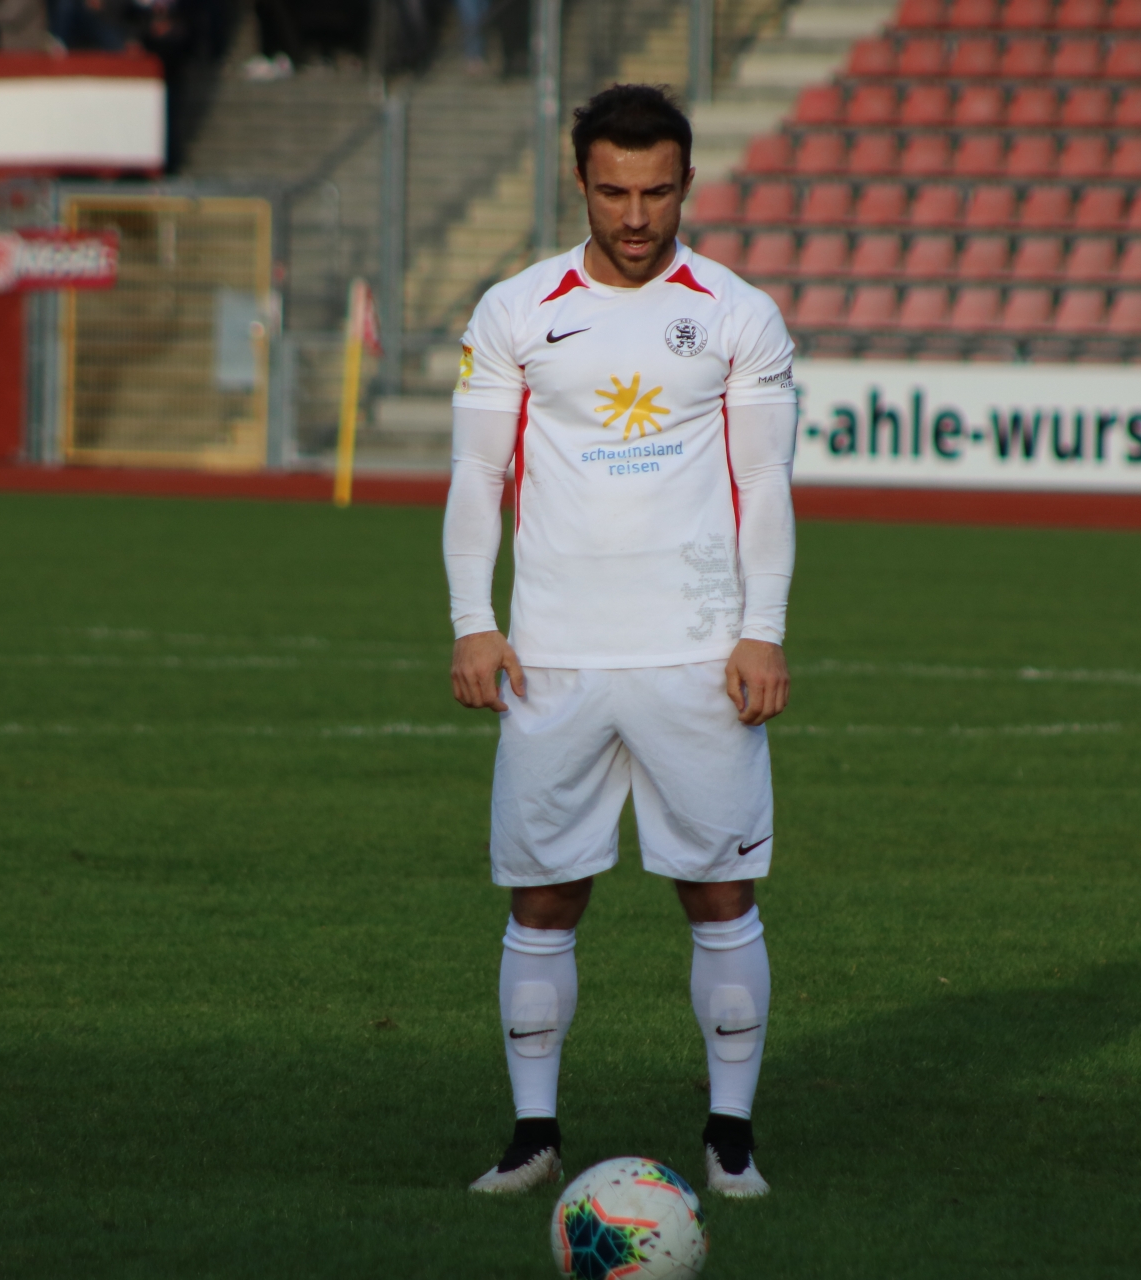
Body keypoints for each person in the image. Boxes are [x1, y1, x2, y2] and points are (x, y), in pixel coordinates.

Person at [445, 84, 797, 1200]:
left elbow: (765, 484)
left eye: (655, 192)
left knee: (720, 894)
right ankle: (532, 1134)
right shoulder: (515, 308)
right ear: (581, 184)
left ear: (686, 183)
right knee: (543, 897)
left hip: (698, 657)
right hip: (552, 658)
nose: (635, 216)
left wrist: (762, 631)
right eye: (613, 192)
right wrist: (473, 620)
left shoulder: (739, 312)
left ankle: (730, 1140)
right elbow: (477, 476)